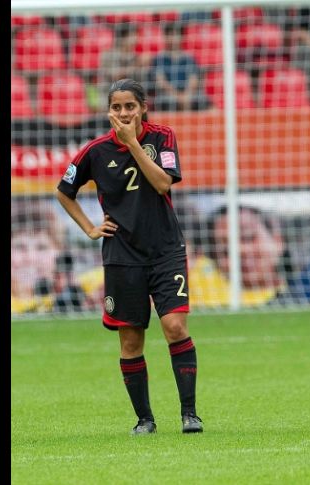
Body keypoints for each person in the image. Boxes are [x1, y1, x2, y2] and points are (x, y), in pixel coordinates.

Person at [56, 78, 203, 435]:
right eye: (117, 107)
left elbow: (164, 184)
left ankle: (189, 413)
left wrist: (134, 145)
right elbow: (64, 192)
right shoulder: (95, 151)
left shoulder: (162, 138)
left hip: (165, 249)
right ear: (109, 111)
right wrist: (91, 229)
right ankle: (145, 420)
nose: (123, 114)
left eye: (130, 107)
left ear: (143, 108)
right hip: (122, 256)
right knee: (131, 340)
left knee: (174, 326)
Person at [11, 201, 65, 314]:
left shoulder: (86, 295)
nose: (31, 258)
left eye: (42, 247)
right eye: (20, 246)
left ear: (59, 252)